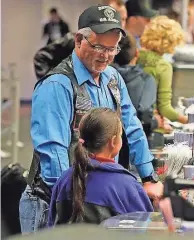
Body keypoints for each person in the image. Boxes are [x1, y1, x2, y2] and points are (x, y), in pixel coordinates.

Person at [20, 5, 163, 233]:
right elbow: (53, 152)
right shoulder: (57, 85)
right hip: (55, 201)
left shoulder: (112, 78)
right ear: (79, 40)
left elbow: (132, 127)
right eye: (98, 46)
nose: (105, 56)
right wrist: (75, 200)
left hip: (93, 199)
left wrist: (149, 176)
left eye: (112, 49)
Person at [48, 108, 154, 226]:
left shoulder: (64, 179)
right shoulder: (127, 185)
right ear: (113, 141)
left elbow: (52, 226)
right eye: (120, 135)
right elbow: (146, 230)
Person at [34, 2, 128, 80]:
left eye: (123, 19)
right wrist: (52, 82)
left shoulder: (125, 43)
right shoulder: (73, 41)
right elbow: (41, 56)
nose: (121, 24)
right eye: (98, 47)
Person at [138, 16, 188, 130]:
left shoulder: (135, 56)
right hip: (153, 126)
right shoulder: (163, 66)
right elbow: (164, 108)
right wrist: (187, 120)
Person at [112, 34, 163, 141]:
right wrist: (156, 122)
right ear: (137, 53)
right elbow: (144, 117)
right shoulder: (146, 80)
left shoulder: (104, 78)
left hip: (109, 142)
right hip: (135, 143)